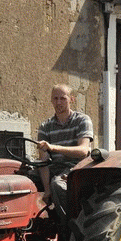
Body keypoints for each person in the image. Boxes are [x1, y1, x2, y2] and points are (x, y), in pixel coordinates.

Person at [36, 84, 94, 216]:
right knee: (24, 180)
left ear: (71, 99)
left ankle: (70, 223)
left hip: (77, 168)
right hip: (54, 167)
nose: (58, 102)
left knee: (57, 184)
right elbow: (43, 161)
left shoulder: (82, 120)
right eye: (55, 98)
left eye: (62, 98)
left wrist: (53, 147)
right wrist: (46, 190)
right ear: (51, 100)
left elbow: (83, 151)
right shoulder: (45, 126)